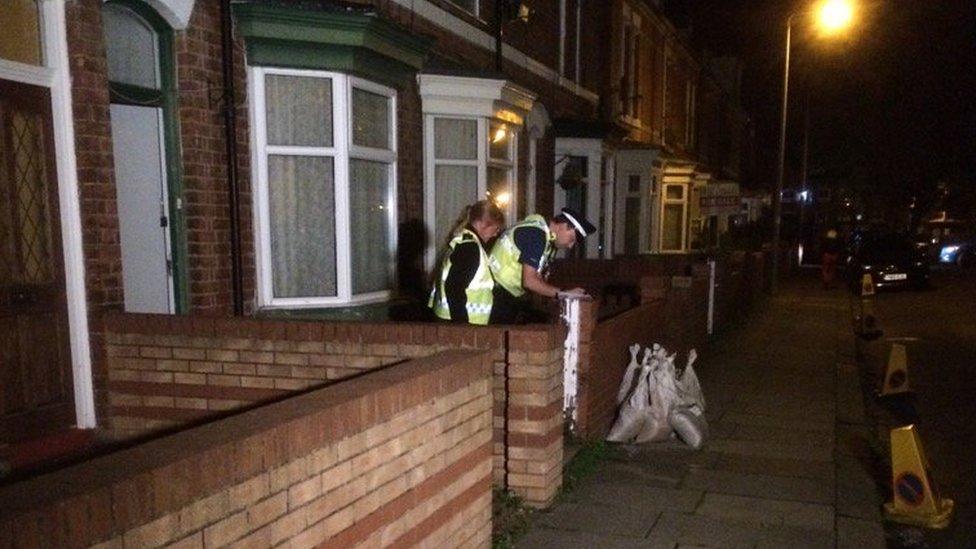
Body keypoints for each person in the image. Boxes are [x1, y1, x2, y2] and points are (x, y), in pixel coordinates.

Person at [487, 207, 595, 323]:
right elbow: (529, 281)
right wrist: (564, 294)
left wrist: (558, 294)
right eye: (572, 239)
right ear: (563, 226)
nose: (570, 246)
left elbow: (537, 279)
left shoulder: (545, 237)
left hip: (504, 293)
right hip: (494, 293)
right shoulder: (537, 236)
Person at [428, 200, 505, 325]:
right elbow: (454, 287)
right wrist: (463, 328)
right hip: (463, 324)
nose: (496, 234)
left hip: (448, 320)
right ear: (483, 224)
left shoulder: (462, 241)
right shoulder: (470, 248)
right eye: (495, 229)